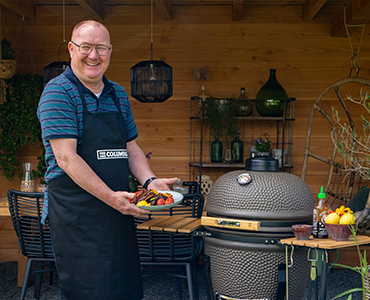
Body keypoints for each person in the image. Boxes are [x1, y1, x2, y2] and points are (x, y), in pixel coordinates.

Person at [37, 20, 177, 300]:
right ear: (71, 49)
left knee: (124, 289)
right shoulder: (58, 92)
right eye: (86, 47)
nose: (93, 55)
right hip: (77, 216)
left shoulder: (119, 94)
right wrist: (110, 197)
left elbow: (131, 147)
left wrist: (149, 181)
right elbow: (66, 157)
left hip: (117, 211)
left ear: (110, 51)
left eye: (101, 48)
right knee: (88, 292)